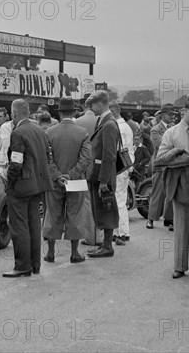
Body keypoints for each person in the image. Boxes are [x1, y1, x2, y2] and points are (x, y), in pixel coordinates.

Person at [157, 98, 189, 279]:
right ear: (183, 111)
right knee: (181, 226)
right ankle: (179, 266)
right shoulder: (171, 133)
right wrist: (187, 160)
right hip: (180, 181)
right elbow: (161, 160)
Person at [3, 99, 53, 277]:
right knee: (34, 225)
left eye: (11, 113)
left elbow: (16, 163)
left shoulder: (18, 133)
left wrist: (9, 183)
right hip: (38, 184)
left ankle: (23, 265)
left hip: (22, 186)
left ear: (15, 114)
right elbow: (47, 156)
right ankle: (35, 264)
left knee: (19, 227)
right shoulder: (38, 129)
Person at [43, 97, 92, 264]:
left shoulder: (49, 132)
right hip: (75, 181)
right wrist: (70, 175)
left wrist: (58, 176)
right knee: (75, 214)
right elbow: (86, 159)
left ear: (60, 112)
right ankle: (74, 253)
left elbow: (46, 159)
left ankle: (50, 252)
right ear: (74, 112)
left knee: (52, 213)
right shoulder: (82, 132)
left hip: (54, 181)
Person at [85, 90, 120, 258]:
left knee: (106, 210)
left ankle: (107, 246)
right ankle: (105, 245)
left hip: (102, 176)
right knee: (102, 209)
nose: (91, 109)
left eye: (92, 105)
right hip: (100, 175)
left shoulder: (108, 124)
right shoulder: (105, 122)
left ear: (99, 103)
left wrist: (104, 182)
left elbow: (109, 156)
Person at [74, 95, 102, 247]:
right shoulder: (102, 121)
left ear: (84, 105)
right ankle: (100, 235)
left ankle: (90, 237)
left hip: (84, 166)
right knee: (99, 200)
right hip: (100, 165)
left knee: (86, 201)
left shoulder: (78, 122)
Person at [147, 103, 177, 230]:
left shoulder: (175, 128)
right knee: (157, 193)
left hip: (171, 165)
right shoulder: (155, 129)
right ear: (162, 115)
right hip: (160, 165)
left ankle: (168, 218)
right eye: (170, 114)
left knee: (171, 193)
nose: (172, 117)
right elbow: (161, 145)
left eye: (173, 115)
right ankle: (151, 219)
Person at [109, 101, 135, 245]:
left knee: (118, 199)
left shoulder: (118, 127)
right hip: (127, 165)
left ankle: (120, 232)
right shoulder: (126, 127)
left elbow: (119, 149)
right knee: (121, 199)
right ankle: (123, 231)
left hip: (119, 166)